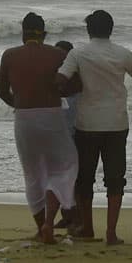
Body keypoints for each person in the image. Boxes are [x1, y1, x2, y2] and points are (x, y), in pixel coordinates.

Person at [56, 10, 132, 245]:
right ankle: (111, 233)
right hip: (116, 122)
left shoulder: (78, 53)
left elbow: (61, 80)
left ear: (88, 30)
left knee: (84, 179)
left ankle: (87, 228)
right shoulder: (123, 53)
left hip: (88, 123)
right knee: (115, 179)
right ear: (111, 29)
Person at [0, 12, 78, 243]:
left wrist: (21, 104)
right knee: (63, 167)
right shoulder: (58, 54)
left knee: (32, 174)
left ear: (23, 33)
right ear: (44, 34)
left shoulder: (10, 55)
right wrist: (56, 93)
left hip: (23, 118)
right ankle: (49, 223)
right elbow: (74, 85)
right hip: (52, 116)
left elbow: (2, 92)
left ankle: (39, 227)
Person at [53, 39, 79, 230]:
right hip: (59, 134)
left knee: (76, 178)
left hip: (77, 133)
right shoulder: (54, 77)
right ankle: (67, 215)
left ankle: (76, 217)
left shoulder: (77, 78)